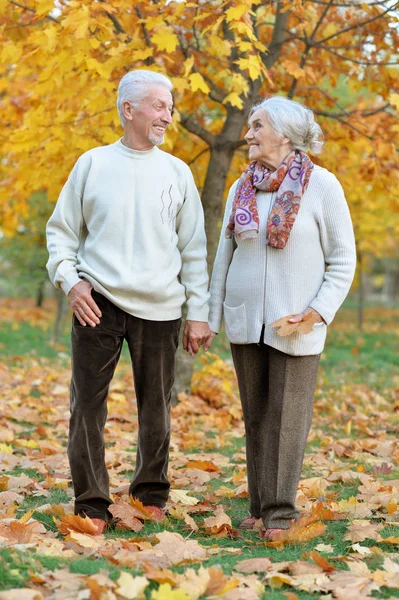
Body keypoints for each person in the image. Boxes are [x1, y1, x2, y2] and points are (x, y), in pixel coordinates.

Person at [46, 70, 211, 534]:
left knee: (156, 406)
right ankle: (92, 502)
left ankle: (149, 493)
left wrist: (198, 311)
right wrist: (70, 282)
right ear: (128, 109)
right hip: (95, 300)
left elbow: (193, 248)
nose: (167, 114)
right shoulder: (93, 164)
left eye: (170, 105)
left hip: (160, 306)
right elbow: (61, 233)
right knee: (86, 407)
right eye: (159, 105)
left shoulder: (177, 172)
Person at [207, 96, 356, 540]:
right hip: (244, 318)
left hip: (297, 322)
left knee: (286, 418)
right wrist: (210, 318)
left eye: (257, 126)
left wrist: (317, 312)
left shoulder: (323, 186)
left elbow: (343, 259)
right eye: (250, 125)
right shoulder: (241, 189)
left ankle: (280, 512)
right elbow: (223, 258)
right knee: (255, 415)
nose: (248, 134)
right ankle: (258, 504)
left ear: (285, 135)